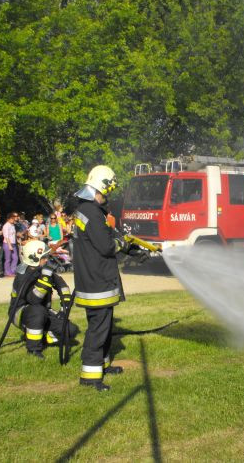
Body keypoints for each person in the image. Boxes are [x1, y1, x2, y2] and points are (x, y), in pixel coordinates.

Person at [73, 165, 148, 391]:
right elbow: (106, 246)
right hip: (98, 282)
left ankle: (102, 365)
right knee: (98, 328)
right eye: (105, 193)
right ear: (98, 189)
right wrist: (122, 244)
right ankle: (90, 376)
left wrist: (131, 249)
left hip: (93, 279)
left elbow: (106, 239)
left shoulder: (86, 211)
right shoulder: (93, 214)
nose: (106, 198)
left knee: (103, 326)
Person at [7, 240, 77, 359]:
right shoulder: (23, 275)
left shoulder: (44, 270)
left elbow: (62, 286)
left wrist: (64, 308)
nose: (47, 260)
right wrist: (45, 279)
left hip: (43, 312)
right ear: (34, 258)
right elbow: (34, 300)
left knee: (71, 330)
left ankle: (43, 337)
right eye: (44, 257)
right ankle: (33, 349)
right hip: (21, 313)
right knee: (37, 311)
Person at [2, 212, 18, 276]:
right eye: (12, 218)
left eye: (13, 218)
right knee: (8, 259)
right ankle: (7, 272)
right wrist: (9, 245)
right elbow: (6, 236)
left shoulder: (13, 225)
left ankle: (13, 270)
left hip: (13, 243)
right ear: (8, 219)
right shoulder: (6, 226)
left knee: (15, 258)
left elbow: (13, 235)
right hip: (7, 243)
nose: (13, 220)